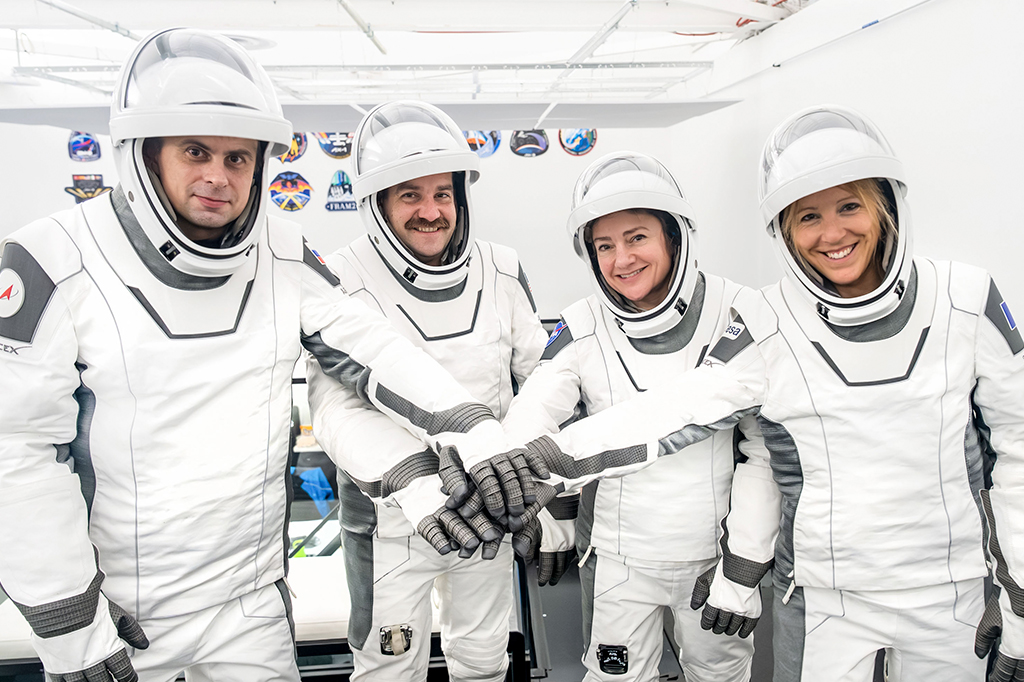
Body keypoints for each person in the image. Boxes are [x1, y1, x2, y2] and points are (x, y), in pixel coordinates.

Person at [0, 30, 513, 682]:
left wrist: (473, 429)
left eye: (238, 158)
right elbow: (16, 450)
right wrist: (68, 617)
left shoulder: (283, 252)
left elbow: (371, 349)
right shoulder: (51, 259)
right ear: (144, 153)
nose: (218, 176)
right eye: (195, 151)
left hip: (251, 602)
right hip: (119, 612)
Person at [473, 105, 1024, 682]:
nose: (832, 233)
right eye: (808, 216)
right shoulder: (769, 320)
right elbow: (670, 410)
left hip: (950, 589)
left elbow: (1015, 447)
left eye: (850, 206)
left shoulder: (965, 299)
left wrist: (1017, 593)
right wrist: (524, 467)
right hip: (821, 594)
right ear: (785, 230)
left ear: (887, 204)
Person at [500, 152, 772, 681]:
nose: (621, 259)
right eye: (604, 246)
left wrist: (743, 564)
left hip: (710, 560)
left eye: (637, 237)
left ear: (674, 236)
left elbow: (761, 452)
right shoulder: (582, 323)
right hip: (618, 561)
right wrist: (543, 505)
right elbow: (537, 415)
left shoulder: (741, 311)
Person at [304, 100, 548, 682]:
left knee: (485, 661)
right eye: (410, 195)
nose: (431, 211)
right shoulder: (339, 277)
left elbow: (540, 378)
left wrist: (537, 490)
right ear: (376, 203)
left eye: (443, 194)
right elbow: (333, 407)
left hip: (487, 513)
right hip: (389, 523)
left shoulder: (502, 268)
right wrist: (412, 479)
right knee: (387, 668)